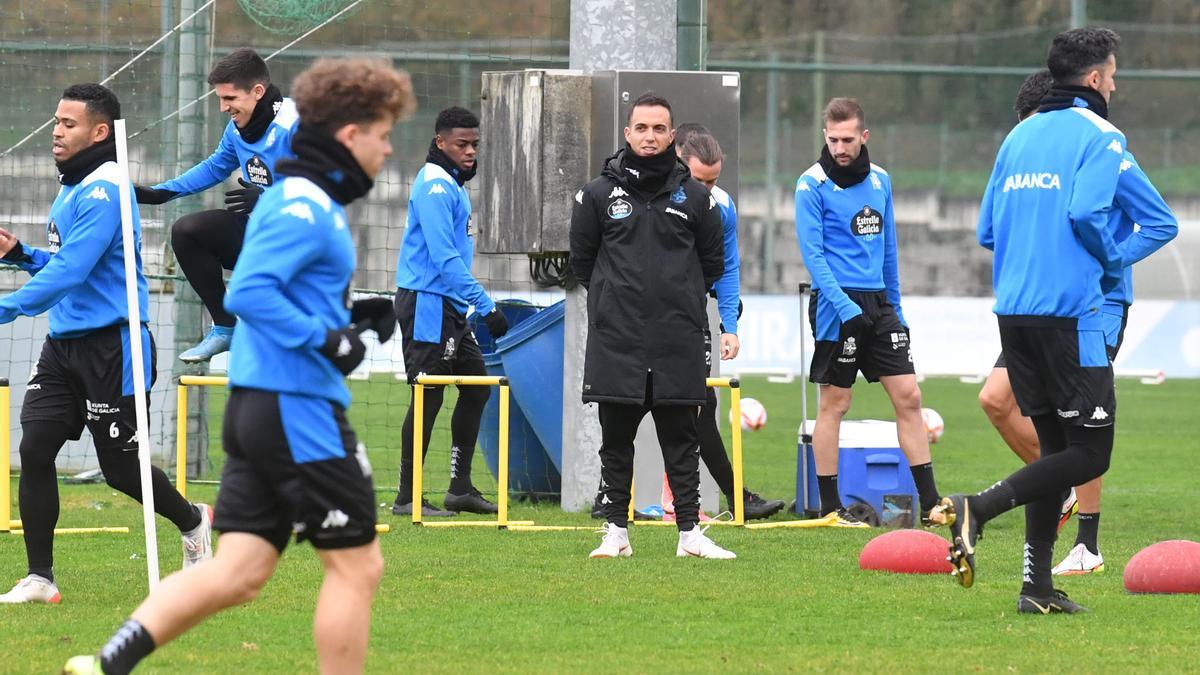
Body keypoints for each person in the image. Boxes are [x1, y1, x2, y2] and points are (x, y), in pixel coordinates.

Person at [63, 58, 415, 674]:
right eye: (383, 134)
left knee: (240, 570)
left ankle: (106, 664)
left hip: (261, 405)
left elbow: (282, 288)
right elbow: (251, 293)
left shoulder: (298, 197)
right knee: (357, 566)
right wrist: (330, 343)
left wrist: (356, 313)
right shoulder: (305, 200)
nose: (388, 150)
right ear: (350, 134)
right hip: (296, 408)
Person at [936, 27, 1127, 614]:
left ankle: (1036, 589)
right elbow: (1098, 215)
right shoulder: (1101, 137)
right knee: (1089, 453)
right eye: (1113, 74)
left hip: (1014, 314)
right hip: (1072, 314)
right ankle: (982, 506)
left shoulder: (1017, 141)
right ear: (1094, 79)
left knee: (1053, 449)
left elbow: (987, 232)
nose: (1115, 84)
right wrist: (1112, 258)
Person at [0, 84, 212, 605]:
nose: (55, 131)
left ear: (99, 132)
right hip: (63, 346)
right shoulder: (73, 186)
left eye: (68, 124)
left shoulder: (105, 188)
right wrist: (21, 253)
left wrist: (5, 307)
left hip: (113, 347)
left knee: (121, 469)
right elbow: (70, 266)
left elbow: (73, 270)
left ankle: (193, 521)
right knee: (35, 447)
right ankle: (40, 577)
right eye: (55, 120)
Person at [977, 68, 1177, 577]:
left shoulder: (1107, 149)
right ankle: (1053, 496)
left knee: (1083, 435)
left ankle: (1086, 542)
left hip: (1095, 307)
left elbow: (1154, 220)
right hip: (1042, 305)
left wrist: (1107, 263)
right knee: (997, 401)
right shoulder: (1031, 146)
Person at [570, 91, 734, 560]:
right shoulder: (598, 194)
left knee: (681, 439)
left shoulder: (698, 198)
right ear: (627, 133)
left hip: (675, 338)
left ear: (672, 135)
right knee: (615, 438)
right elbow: (583, 261)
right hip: (617, 339)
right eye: (641, 128)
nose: (649, 136)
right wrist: (611, 300)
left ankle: (689, 535)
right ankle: (616, 533)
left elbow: (711, 264)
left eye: (659, 128)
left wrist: (677, 300)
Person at [794, 97, 943, 528]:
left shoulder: (880, 182)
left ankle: (932, 503)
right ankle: (829, 508)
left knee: (909, 397)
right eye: (833, 139)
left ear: (864, 136)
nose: (840, 147)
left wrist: (896, 307)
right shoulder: (811, 184)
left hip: (879, 304)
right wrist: (843, 306)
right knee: (835, 403)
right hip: (836, 306)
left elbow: (888, 249)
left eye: (848, 139)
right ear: (825, 135)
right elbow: (813, 254)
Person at [135, 48, 299, 363]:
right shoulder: (238, 127)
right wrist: (161, 193)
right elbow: (214, 167)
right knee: (188, 231)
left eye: (230, 99)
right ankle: (225, 328)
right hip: (263, 234)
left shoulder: (297, 124)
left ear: (257, 92)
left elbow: (326, 186)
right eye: (220, 99)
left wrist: (270, 197)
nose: (223, 107)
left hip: (300, 244)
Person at [390, 107, 507, 517]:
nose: (471, 151)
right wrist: (486, 305)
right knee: (428, 395)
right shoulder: (436, 187)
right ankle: (407, 496)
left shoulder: (452, 184)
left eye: (475, 144)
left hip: (448, 306)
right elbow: (443, 258)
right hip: (427, 303)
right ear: (441, 143)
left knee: (477, 387)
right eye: (462, 144)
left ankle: (459, 488)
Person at [670, 123, 785, 520]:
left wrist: (729, 324)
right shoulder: (656, 199)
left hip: (691, 317)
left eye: (714, 180)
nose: (708, 189)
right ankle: (612, 496)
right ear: (679, 164)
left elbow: (729, 268)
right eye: (700, 180)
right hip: (641, 317)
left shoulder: (722, 205)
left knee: (701, 403)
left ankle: (736, 499)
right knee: (629, 403)